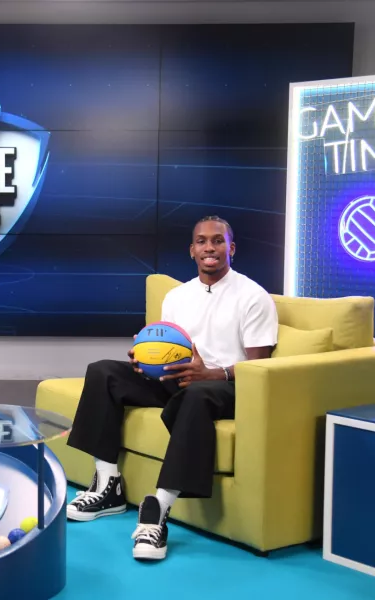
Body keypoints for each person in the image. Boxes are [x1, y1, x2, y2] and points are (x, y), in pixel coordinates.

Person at [65, 216, 278, 561]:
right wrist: (144, 360)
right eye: (202, 241)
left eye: (218, 241)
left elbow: (260, 366)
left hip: (227, 386)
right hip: (178, 379)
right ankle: (108, 485)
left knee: (195, 394)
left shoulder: (253, 297)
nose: (210, 248)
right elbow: (166, 349)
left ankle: (158, 511)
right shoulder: (177, 297)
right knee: (103, 371)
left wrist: (212, 374)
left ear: (232, 248)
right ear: (192, 250)